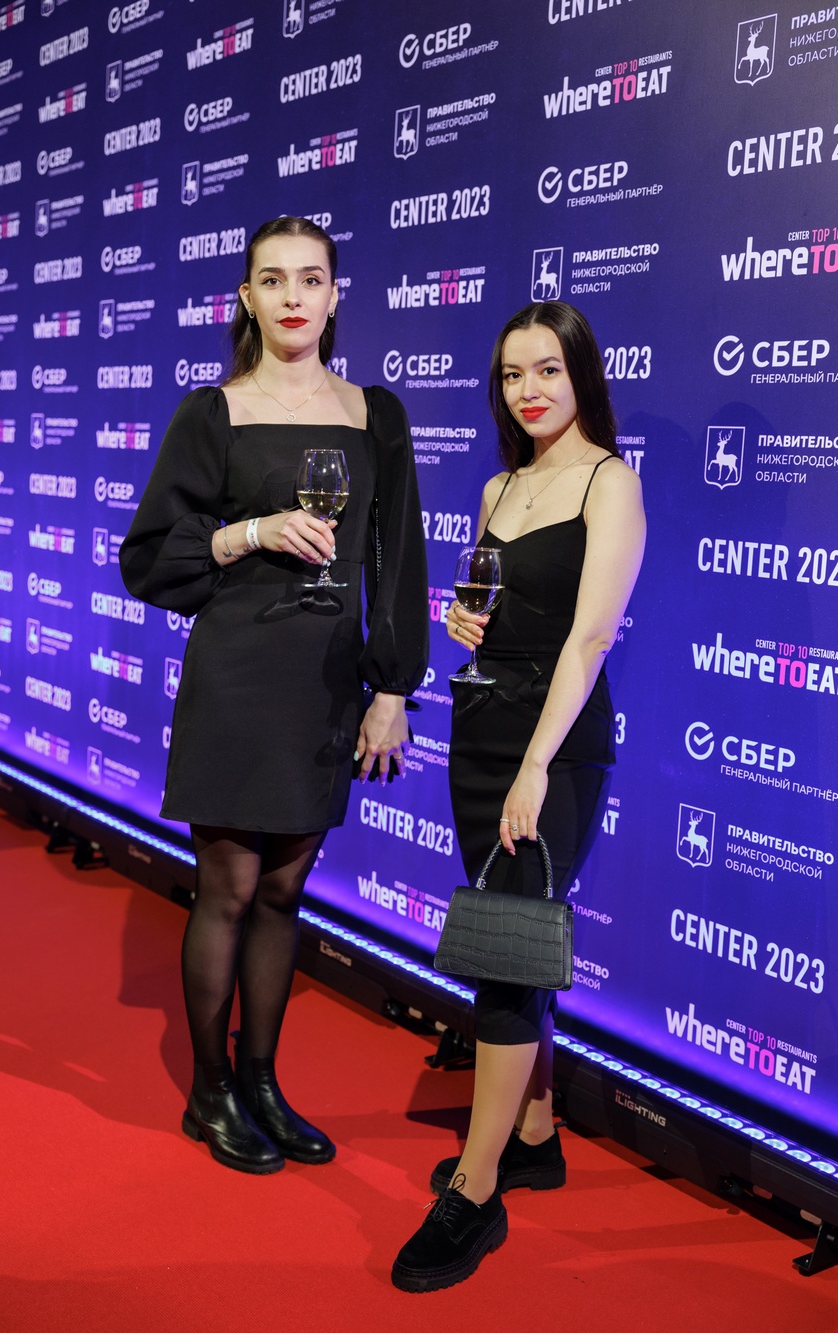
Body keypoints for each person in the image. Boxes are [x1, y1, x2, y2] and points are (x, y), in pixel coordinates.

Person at [120, 216, 428, 1175]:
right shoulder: (212, 412)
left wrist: (392, 686)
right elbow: (147, 556)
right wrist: (249, 531)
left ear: (336, 296)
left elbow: (396, 558)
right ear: (247, 298)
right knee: (230, 887)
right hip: (238, 675)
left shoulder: (376, 414)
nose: (294, 296)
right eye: (273, 279)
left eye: (311, 278)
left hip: (326, 683)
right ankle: (208, 1088)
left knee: (288, 890)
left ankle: (261, 1080)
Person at [392, 301, 645, 1290]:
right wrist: (464, 623)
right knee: (517, 941)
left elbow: (589, 638)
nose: (528, 390)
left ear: (581, 374)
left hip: (556, 747)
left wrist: (537, 763)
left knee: (502, 957)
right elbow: (495, 608)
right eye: (511, 374)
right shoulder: (501, 484)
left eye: (547, 370)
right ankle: (535, 1133)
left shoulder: (609, 481)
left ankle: (476, 1186)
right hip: (480, 732)